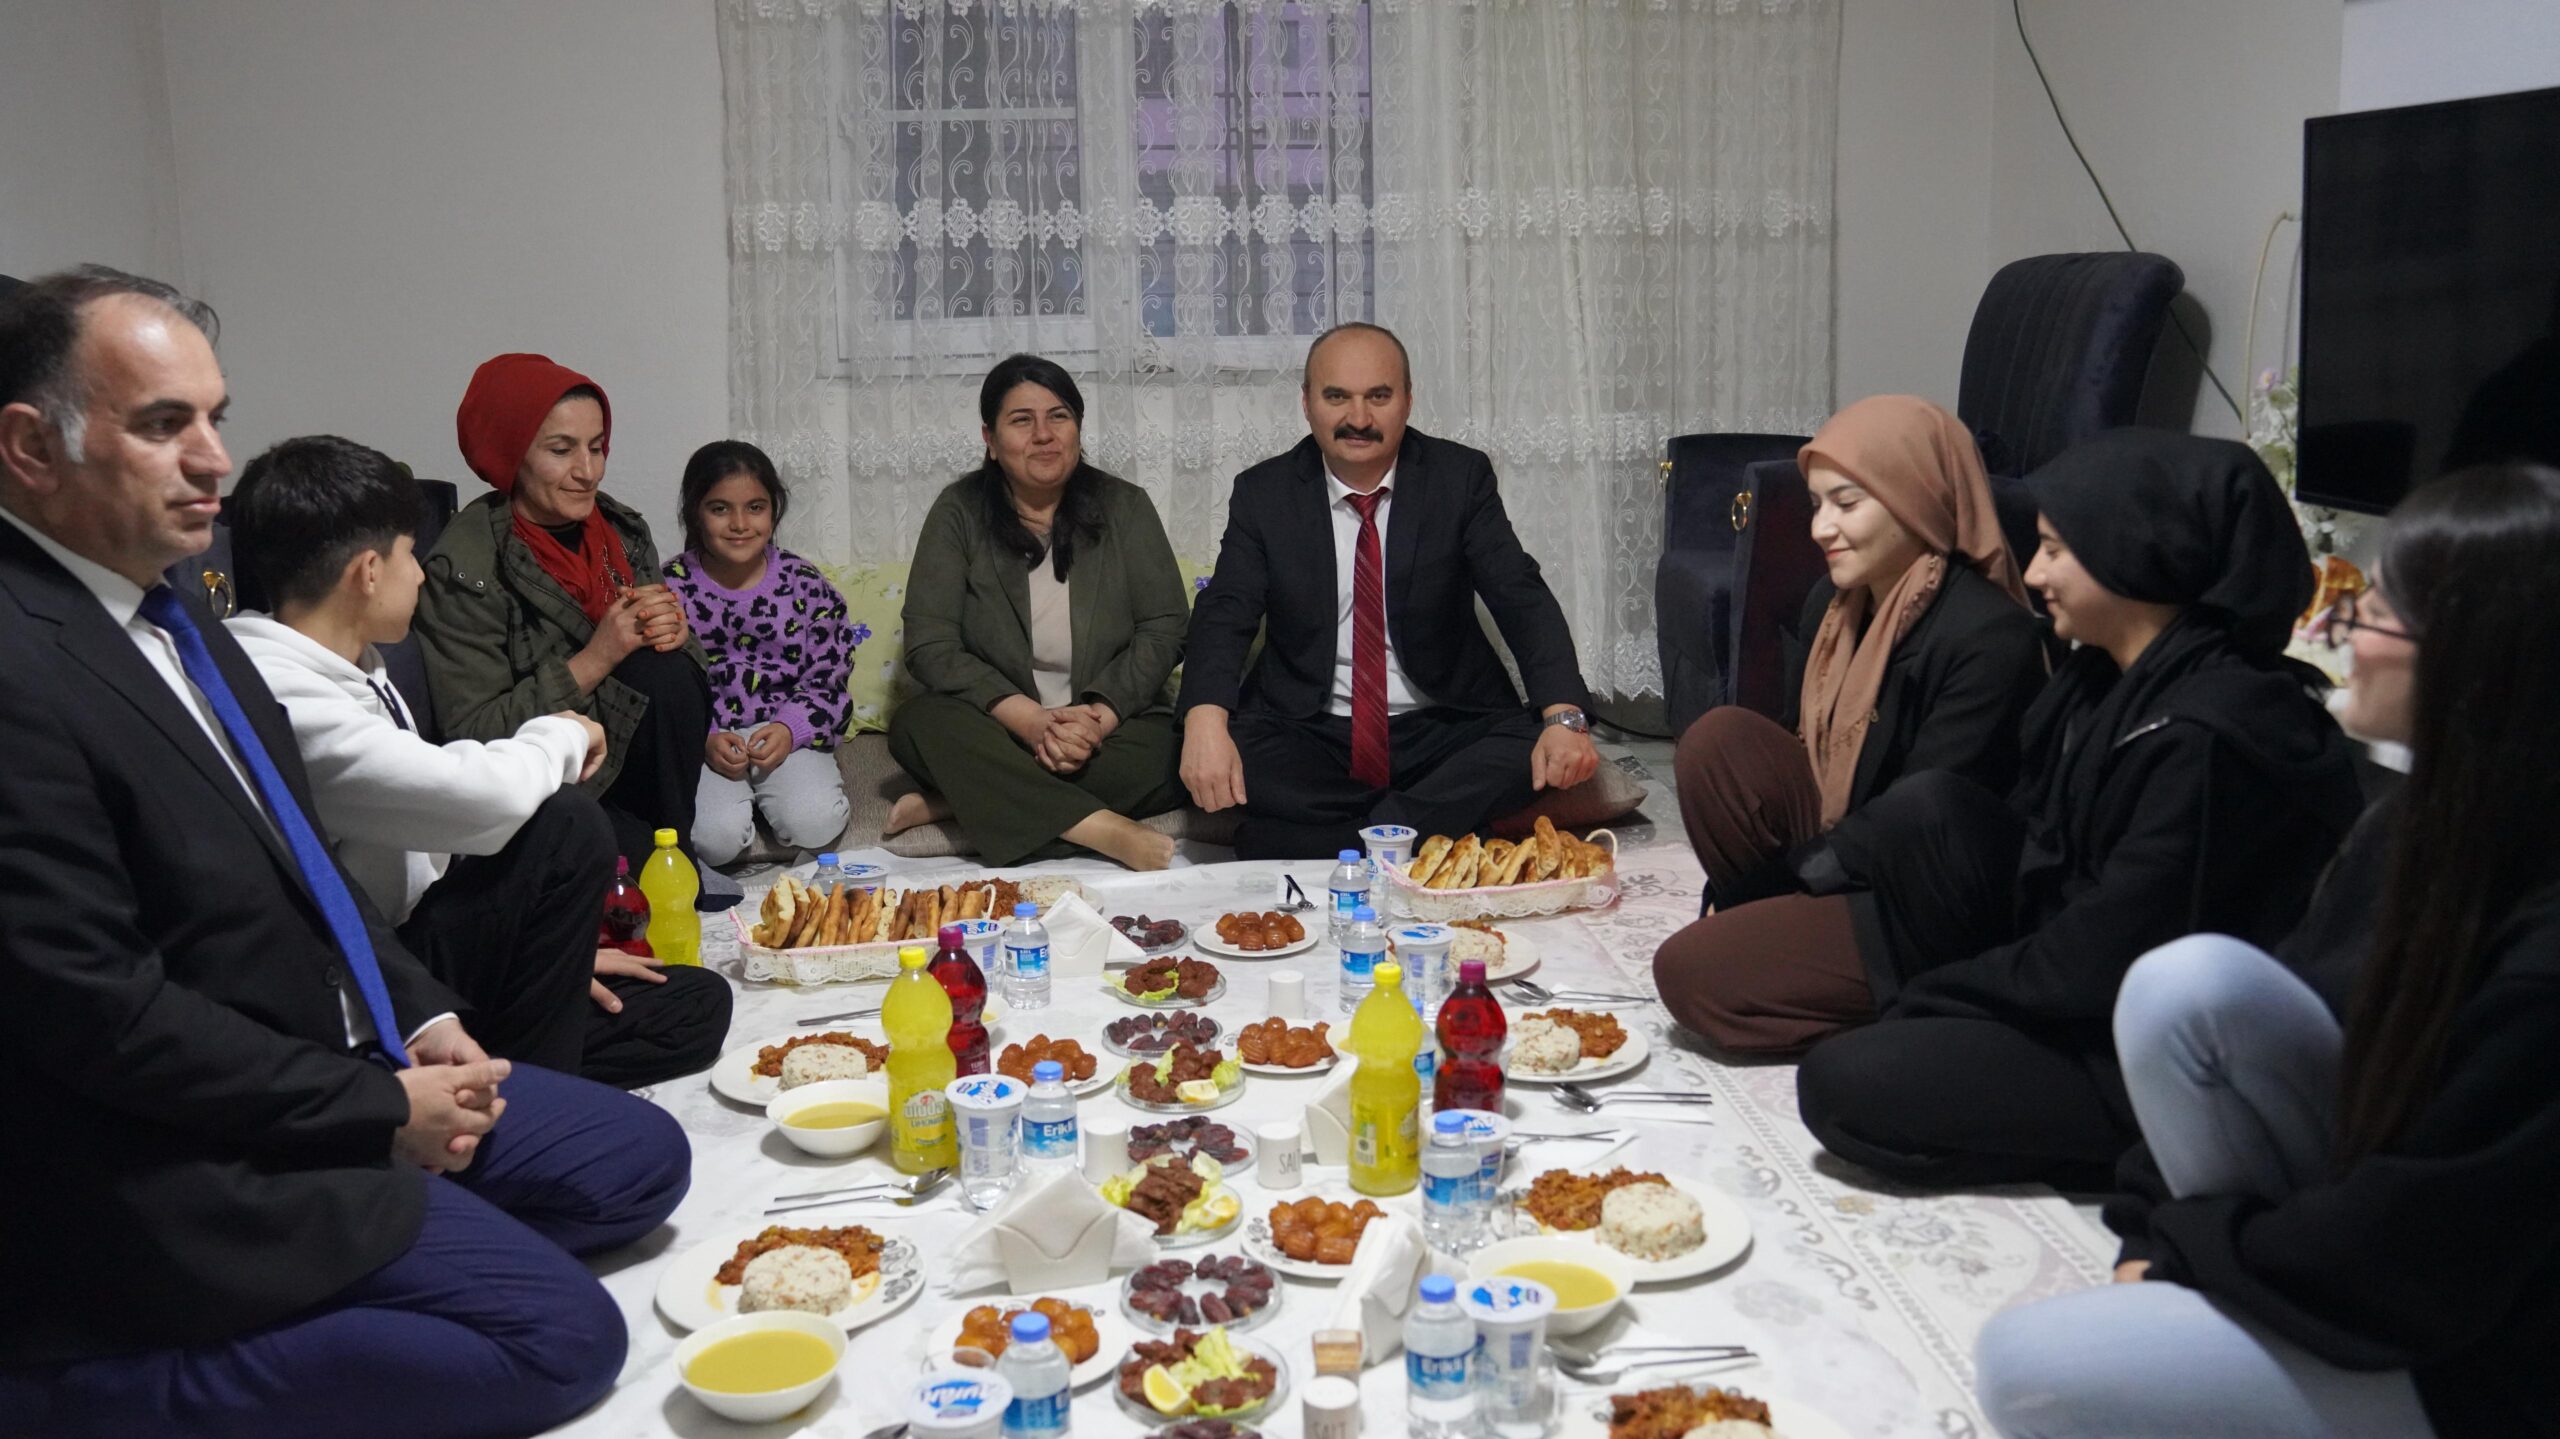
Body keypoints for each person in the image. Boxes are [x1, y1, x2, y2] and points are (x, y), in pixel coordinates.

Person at [0, 266, 687, 1437]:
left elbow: (302, 863)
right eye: (166, 424)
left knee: (645, 1163)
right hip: (210, 1147)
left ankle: (421, 1227)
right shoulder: (25, 662)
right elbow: (99, 1015)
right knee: (566, 1339)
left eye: (216, 417)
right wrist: (374, 1109)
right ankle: (67, 1390)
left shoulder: (177, 614)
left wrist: (419, 1015)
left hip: (347, 1052)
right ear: (30, 447)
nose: (213, 459)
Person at [1974, 464, 2560, 1439]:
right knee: (2187, 982)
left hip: (2478, 1358)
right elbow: (2302, 1002)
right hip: (2393, 1257)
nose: (2335, 635)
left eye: (2371, 611)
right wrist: (2159, 1227)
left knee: (2026, 1366)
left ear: (2469, 661)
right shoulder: (2422, 825)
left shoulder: (2543, 958)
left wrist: (2189, 1253)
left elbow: (2405, 1254)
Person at [1783, 429, 2365, 1189]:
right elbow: (2034, 865)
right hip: (2078, 983)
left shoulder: (2212, 737)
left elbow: (2096, 960)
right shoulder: (2098, 681)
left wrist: (1937, 998)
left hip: (2138, 1044)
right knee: (1927, 812)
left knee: (1842, 1084)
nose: (2033, 571)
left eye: (2057, 550)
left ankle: (2133, 1149)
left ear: (2139, 556)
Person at [227, 434, 734, 1088]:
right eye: (410, 555)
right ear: (367, 573)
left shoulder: (356, 666)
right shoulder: (277, 694)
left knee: (696, 1003)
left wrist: (552, 952)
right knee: (569, 826)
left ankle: (512, 1059)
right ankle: (518, 1102)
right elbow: (478, 800)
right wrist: (565, 732)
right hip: (368, 983)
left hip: (420, 944)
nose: (419, 573)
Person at [1652, 396, 2047, 1051]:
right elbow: (1797, 749)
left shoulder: (1987, 637)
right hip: (1851, 847)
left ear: (1914, 499)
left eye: (1847, 503)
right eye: (1817, 504)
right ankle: (1785, 944)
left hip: (1923, 902)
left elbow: (1916, 823)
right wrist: (1773, 889)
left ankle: (1927, 1004)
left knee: (1689, 973)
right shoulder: (1836, 607)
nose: (1820, 528)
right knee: (1718, 743)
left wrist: (1780, 883)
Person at [1178, 322, 1600, 859]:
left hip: (1442, 724)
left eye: (1378, 396)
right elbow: (1226, 610)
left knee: (1530, 748)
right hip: (1311, 726)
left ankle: (1322, 839)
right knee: (1218, 748)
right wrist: (1205, 721)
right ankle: (1426, 828)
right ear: (1307, 403)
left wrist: (1564, 717)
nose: (1358, 419)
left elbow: (1520, 594)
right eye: (1337, 397)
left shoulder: (1459, 477)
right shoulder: (1264, 493)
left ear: (1407, 401)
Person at [411, 352, 722, 883]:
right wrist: (595, 658)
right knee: (642, 888)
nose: (589, 471)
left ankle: (672, 850)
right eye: (561, 450)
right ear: (514, 455)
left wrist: (677, 634)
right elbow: (472, 734)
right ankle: (658, 860)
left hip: (630, 764)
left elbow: (677, 681)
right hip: (549, 785)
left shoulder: (621, 532)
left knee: (668, 672)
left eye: (597, 448)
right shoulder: (464, 568)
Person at [887, 354, 1189, 869]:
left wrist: (1098, 717)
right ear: (990, 438)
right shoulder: (957, 512)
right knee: (918, 725)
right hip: (1000, 728)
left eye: (1059, 416)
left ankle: (965, 803)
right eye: (1021, 421)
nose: (1044, 435)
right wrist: (1029, 722)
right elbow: (929, 644)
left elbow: (1165, 627)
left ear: (1078, 428)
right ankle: (1100, 828)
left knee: (1179, 751)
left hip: (1107, 729)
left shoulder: (1126, 506)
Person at [663, 439, 855, 865]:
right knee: (712, 842)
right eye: (719, 509)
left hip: (787, 733)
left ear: (774, 510)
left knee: (816, 823)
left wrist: (791, 728)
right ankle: (743, 806)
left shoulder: (806, 584)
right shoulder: (669, 588)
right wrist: (705, 736)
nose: (739, 524)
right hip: (705, 738)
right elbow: (661, 685)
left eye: (755, 507)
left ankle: (774, 798)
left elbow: (831, 675)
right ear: (695, 511)